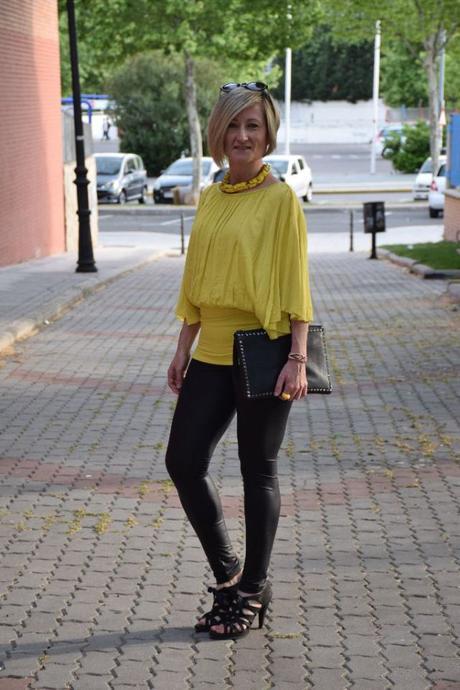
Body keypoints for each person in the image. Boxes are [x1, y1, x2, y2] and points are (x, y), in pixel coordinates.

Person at [165, 81, 313, 640]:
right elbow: (195, 279)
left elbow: (297, 281)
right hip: (211, 349)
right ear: (219, 134)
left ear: (267, 134)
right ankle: (230, 574)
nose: (243, 136)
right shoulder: (210, 195)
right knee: (183, 460)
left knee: (258, 471)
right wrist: (183, 347)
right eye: (234, 126)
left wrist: (297, 357)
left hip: (265, 347)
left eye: (253, 126)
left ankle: (252, 590)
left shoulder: (280, 200)